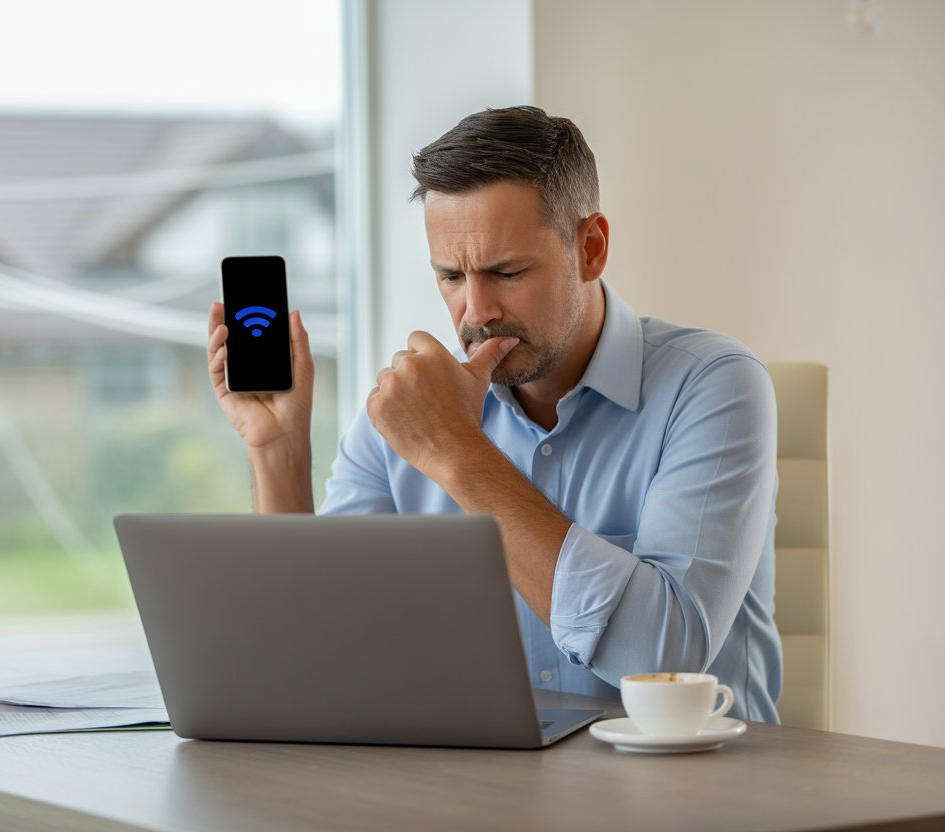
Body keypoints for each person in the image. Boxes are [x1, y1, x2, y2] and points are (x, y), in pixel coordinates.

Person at [206, 105, 781, 722]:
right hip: (486, 797)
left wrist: (457, 454)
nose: (474, 312)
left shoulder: (715, 386)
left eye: (506, 272)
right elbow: (310, 655)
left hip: (694, 799)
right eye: (450, 276)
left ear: (591, 248)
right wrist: (278, 452)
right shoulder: (404, 414)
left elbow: (662, 655)